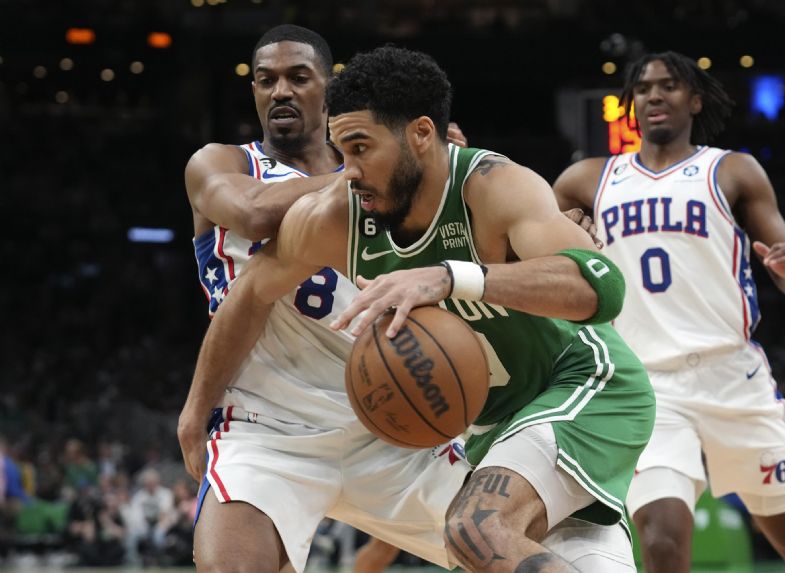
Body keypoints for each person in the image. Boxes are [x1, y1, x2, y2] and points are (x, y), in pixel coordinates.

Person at [186, 45, 656, 573]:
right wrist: (194, 408)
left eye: (362, 149)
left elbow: (603, 287)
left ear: (421, 134)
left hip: (582, 383)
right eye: (342, 151)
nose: (350, 171)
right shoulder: (336, 214)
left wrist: (451, 277)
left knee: (476, 529)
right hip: (492, 426)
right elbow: (249, 293)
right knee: (489, 542)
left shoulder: (492, 185)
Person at [179, 25, 475, 573]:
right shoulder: (223, 163)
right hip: (265, 427)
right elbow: (255, 214)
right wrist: (372, 170)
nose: (280, 92)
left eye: (298, 77)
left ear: (328, 88)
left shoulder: (392, 181)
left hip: (391, 420)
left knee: (529, 549)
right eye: (266, 81)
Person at [552, 50, 785, 573]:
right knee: (661, 541)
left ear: (696, 98)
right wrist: (566, 228)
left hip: (733, 376)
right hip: (648, 383)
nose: (655, 95)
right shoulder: (587, 179)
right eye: (643, 88)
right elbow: (539, 246)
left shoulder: (731, 170)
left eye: (669, 86)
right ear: (632, 104)